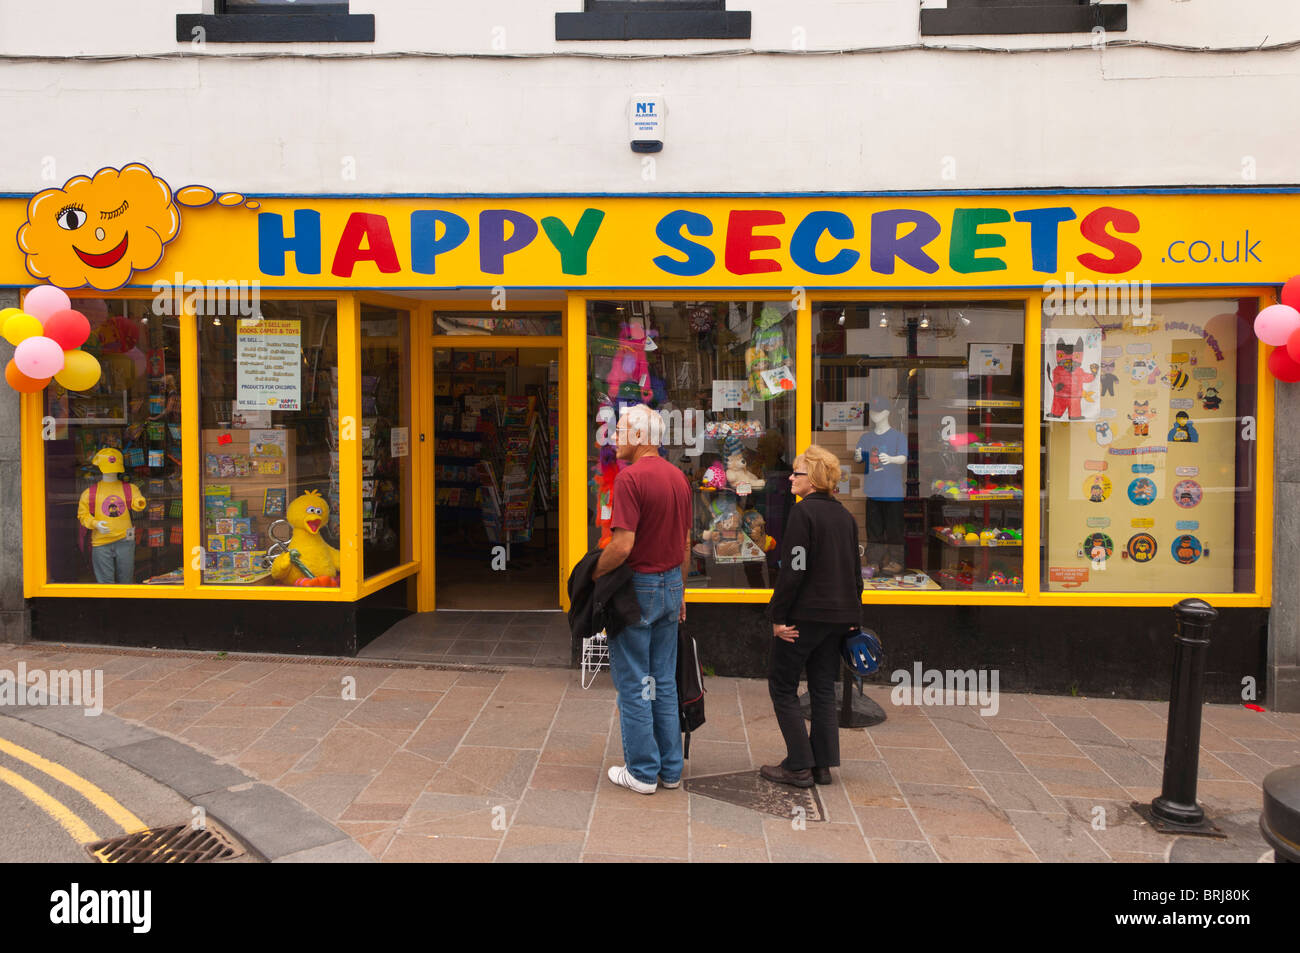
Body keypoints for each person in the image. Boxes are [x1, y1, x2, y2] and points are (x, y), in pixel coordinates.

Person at [594, 403, 693, 794]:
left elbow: (622, 545)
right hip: (670, 585)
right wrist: (681, 591)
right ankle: (670, 770)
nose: (613, 437)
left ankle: (641, 771)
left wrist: (594, 574)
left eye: (619, 431)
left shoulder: (630, 479)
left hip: (640, 588)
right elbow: (684, 543)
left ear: (639, 437)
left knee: (635, 682)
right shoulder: (678, 478)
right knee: (663, 681)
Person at [763, 444, 863, 788]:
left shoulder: (803, 514)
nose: (790, 477)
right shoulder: (845, 517)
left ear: (815, 478)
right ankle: (822, 765)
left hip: (802, 618)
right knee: (822, 688)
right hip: (837, 619)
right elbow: (855, 573)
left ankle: (798, 764)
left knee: (782, 686)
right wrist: (854, 616)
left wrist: (778, 615)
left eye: (797, 473)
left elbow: (794, 569)